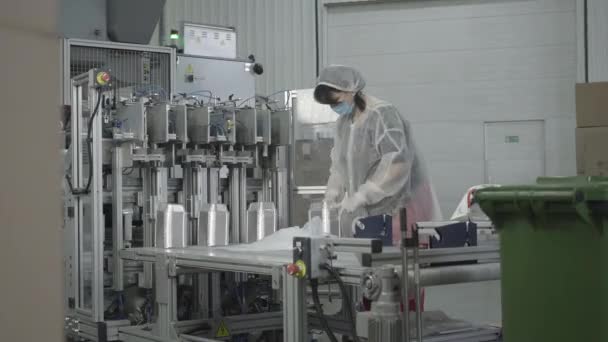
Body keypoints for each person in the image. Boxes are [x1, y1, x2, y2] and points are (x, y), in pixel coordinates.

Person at [314, 65, 442, 243]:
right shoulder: (343, 124)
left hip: (401, 204)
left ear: (351, 89)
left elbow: (398, 163)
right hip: (372, 211)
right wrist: (332, 194)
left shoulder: (382, 115)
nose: (335, 107)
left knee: (401, 260)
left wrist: (363, 195)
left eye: (337, 101)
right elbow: (338, 166)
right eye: (331, 105)